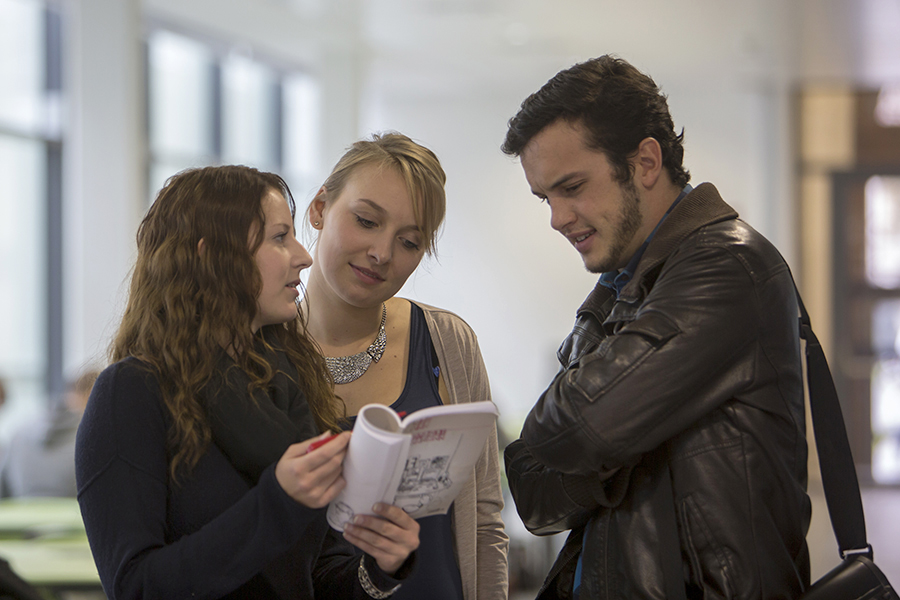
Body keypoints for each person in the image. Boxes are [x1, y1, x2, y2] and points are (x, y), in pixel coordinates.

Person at [501, 56, 810, 599]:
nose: (557, 217)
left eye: (572, 186)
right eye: (545, 197)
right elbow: (532, 489)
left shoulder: (726, 267)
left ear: (645, 161)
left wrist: (600, 449)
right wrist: (610, 444)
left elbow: (574, 428)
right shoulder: (628, 284)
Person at [74, 165, 420, 599]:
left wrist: (382, 565)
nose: (303, 255)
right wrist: (278, 502)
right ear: (210, 255)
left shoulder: (287, 383)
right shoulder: (131, 393)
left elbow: (314, 578)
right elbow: (136, 587)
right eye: (279, 238)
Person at [301, 132, 509, 600]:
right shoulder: (258, 351)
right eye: (366, 220)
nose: (382, 253)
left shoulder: (446, 341)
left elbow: (483, 515)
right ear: (319, 208)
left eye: (409, 241)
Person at [1, 368, 99, 497]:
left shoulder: (19, 435)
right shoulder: (94, 439)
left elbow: (3, 491)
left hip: (22, 514)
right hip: (77, 516)